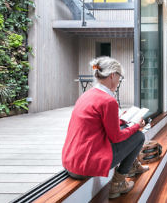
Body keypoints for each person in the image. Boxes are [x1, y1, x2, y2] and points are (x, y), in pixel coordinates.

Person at [62, 57, 149, 199]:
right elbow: (115, 137)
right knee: (139, 136)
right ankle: (118, 183)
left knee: (127, 126)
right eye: (120, 77)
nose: (119, 81)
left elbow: (98, 125)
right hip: (85, 166)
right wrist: (136, 126)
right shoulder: (109, 101)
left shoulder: (87, 94)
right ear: (113, 75)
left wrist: (121, 121)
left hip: (71, 162)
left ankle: (132, 166)